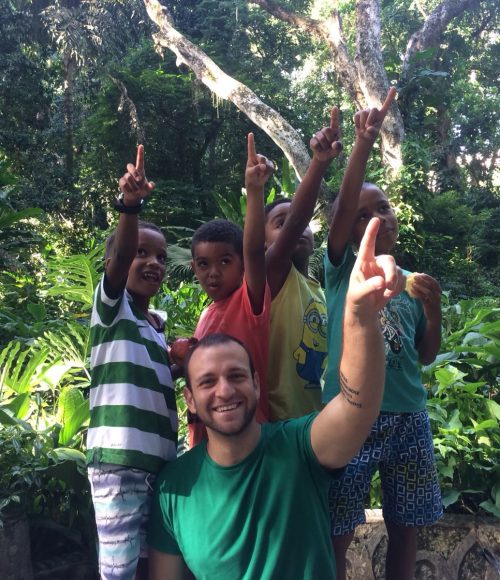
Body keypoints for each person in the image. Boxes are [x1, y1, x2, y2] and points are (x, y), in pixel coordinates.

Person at [147, 217, 403, 580]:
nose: (224, 390)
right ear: (189, 398)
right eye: (207, 382)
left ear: (255, 383)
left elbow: (355, 409)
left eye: (236, 376)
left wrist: (360, 317)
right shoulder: (174, 487)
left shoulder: (298, 448)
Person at [324, 88, 443, 580]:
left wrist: (433, 312)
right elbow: (341, 208)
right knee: (338, 525)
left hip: (408, 417)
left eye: (386, 208)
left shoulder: (414, 283)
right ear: (349, 228)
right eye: (366, 213)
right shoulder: (339, 270)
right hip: (351, 416)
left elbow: (425, 356)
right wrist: (363, 145)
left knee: (407, 522)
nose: (382, 217)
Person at [87, 145, 178, 580]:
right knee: (119, 569)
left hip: (158, 464)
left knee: (148, 565)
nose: (154, 263)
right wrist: (131, 206)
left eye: (161, 257)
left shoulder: (157, 328)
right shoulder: (112, 309)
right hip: (119, 463)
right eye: (143, 253)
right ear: (116, 262)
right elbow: (122, 256)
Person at [187, 133, 274, 446]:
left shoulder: (248, 302)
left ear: (241, 265)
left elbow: (253, 251)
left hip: (248, 439)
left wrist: (254, 190)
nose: (213, 273)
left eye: (224, 261)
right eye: (203, 264)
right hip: (207, 444)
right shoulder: (207, 314)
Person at [264, 107, 342, 421]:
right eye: (278, 223)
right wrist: (319, 163)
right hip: (282, 426)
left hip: (319, 425)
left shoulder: (318, 289)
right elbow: (298, 219)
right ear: (263, 242)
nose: (295, 228)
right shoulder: (273, 277)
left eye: (300, 224)